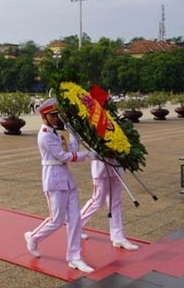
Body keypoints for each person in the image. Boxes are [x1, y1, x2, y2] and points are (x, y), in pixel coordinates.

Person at [24, 98, 95, 274]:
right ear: (45, 116)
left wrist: (74, 134)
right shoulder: (45, 134)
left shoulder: (57, 131)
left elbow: (70, 147)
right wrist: (86, 155)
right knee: (56, 219)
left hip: (66, 178)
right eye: (53, 115)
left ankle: (74, 257)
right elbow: (63, 155)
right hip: (53, 179)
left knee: (75, 219)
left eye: (57, 115)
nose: (57, 118)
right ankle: (33, 237)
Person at [80, 157, 139, 251]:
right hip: (100, 168)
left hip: (115, 167)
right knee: (97, 201)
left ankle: (118, 237)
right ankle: (77, 224)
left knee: (115, 202)